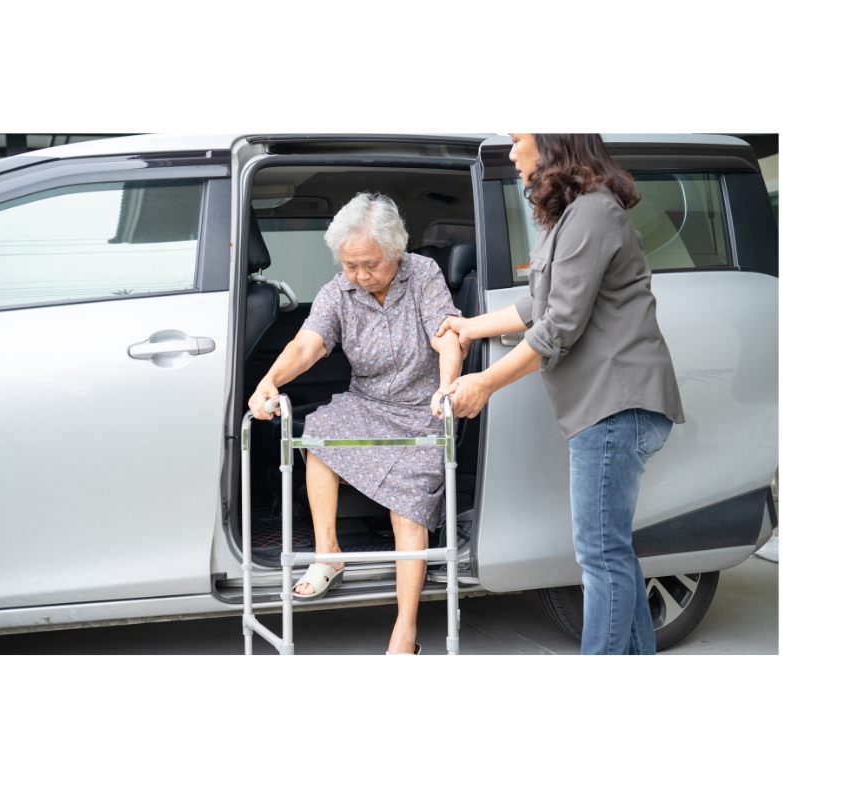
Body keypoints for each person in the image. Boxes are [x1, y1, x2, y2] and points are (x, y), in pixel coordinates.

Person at [438, 134, 685, 655]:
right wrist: (469, 327)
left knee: (600, 556)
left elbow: (559, 327)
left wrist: (485, 382)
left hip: (617, 404)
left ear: (552, 140)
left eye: (517, 139)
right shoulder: (571, 216)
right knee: (610, 554)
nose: (511, 153)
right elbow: (540, 304)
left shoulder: (593, 213)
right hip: (605, 406)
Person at [248, 192, 463, 655]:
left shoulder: (423, 275)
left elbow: (447, 335)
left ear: (395, 252)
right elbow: (308, 344)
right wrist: (269, 381)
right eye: (350, 265)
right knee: (319, 434)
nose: (360, 275)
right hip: (369, 403)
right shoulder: (337, 292)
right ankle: (329, 553)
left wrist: (447, 387)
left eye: (370, 264)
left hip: (422, 408)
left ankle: (405, 631)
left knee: (408, 508)